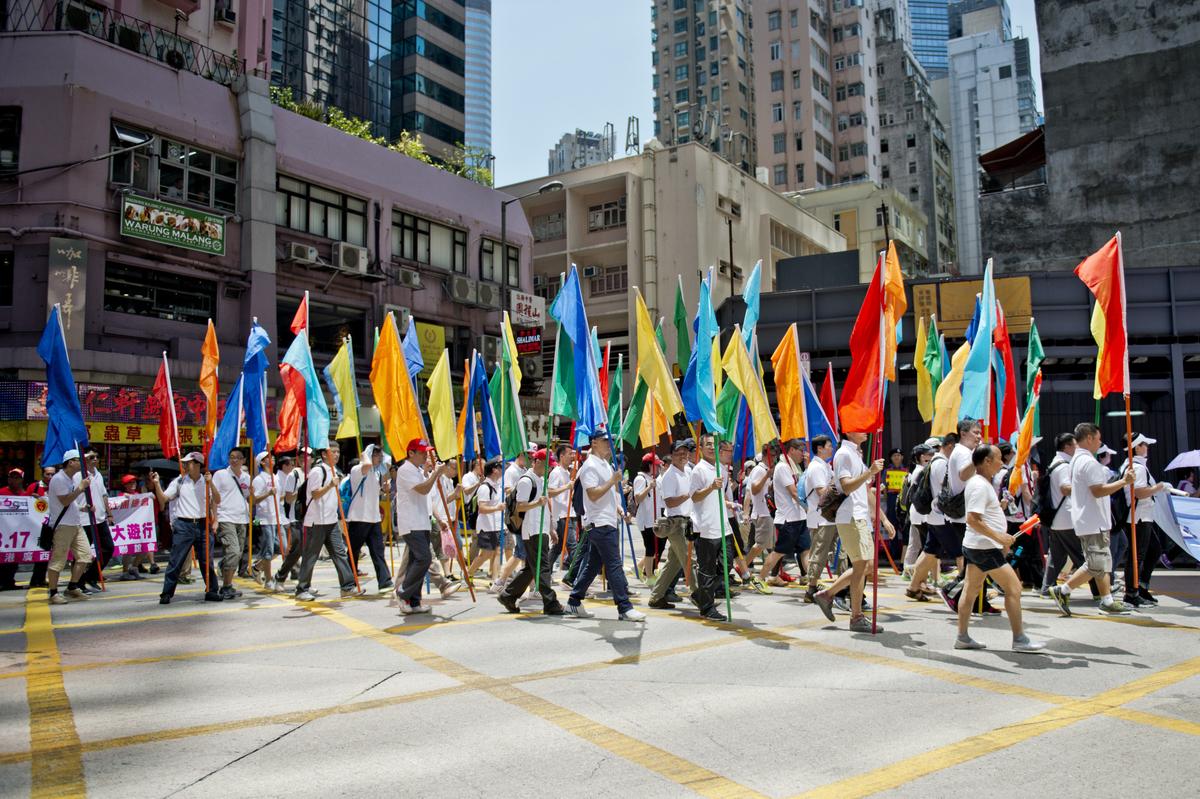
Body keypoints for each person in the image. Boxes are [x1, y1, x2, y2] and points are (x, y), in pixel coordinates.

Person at [955, 445, 1046, 653]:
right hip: (984, 548)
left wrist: (1001, 509)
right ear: (987, 461)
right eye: (998, 458)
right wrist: (1000, 537)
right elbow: (973, 519)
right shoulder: (979, 485)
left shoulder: (980, 483)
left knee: (970, 591)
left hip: (978, 545)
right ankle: (1020, 639)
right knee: (1014, 588)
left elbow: (981, 516)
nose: (1002, 462)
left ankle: (962, 636)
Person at [1048, 422, 1135, 616]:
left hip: (1088, 520)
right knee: (1096, 563)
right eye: (1098, 438)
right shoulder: (1088, 462)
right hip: (1093, 520)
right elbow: (1097, 491)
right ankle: (1063, 590)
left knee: (1102, 562)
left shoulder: (1076, 461)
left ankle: (1106, 600)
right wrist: (1124, 482)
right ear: (1089, 438)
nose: (1100, 442)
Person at [811, 432, 895, 633]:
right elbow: (846, 486)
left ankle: (828, 594)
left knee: (867, 566)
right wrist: (870, 472)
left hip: (860, 518)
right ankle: (855, 616)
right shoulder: (844, 454)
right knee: (861, 566)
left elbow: (865, 493)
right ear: (849, 430)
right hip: (850, 517)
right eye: (860, 426)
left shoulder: (855, 454)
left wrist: (883, 519)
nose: (866, 430)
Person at [565, 431, 645, 621]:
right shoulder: (590, 466)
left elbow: (608, 495)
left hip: (607, 520)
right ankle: (624, 607)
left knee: (593, 565)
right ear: (593, 443)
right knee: (614, 565)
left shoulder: (605, 465)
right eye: (604, 441)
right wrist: (612, 481)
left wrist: (620, 510)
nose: (609, 444)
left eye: (610, 441)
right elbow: (593, 494)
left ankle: (574, 602)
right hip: (599, 523)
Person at [287, 441, 363, 602]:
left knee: (339, 554)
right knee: (311, 556)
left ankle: (347, 587)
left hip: (331, 520)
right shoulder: (317, 471)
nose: (336, 455)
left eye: (337, 452)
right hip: (316, 521)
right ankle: (302, 589)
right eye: (332, 452)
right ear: (323, 454)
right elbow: (315, 494)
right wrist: (330, 485)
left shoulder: (335, 471)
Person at [939, 420, 998, 613]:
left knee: (977, 561)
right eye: (975, 432)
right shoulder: (963, 452)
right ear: (963, 434)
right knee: (978, 559)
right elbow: (964, 475)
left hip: (967, 514)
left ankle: (979, 603)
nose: (979, 436)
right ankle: (953, 591)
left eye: (980, 432)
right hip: (964, 515)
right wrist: (978, 457)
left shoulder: (965, 451)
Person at [498, 449, 564, 615]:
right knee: (542, 567)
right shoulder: (526, 481)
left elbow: (544, 507)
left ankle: (508, 595)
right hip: (531, 530)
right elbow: (520, 506)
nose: (549, 469)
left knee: (531, 568)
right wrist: (537, 503)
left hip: (540, 529)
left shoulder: (540, 480)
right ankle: (550, 602)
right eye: (548, 465)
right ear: (537, 462)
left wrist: (550, 528)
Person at [150, 451, 220, 604]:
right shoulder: (179, 481)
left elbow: (217, 499)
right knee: (176, 560)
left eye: (188, 462)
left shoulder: (207, 481)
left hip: (202, 525)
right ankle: (166, 593)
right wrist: (156, 484)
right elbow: (164, 499)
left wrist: (211, 483)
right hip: (183, 525)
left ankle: (212, 590)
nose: (185, 465)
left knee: (206, 561)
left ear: (197, 465)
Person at [393, 438, 454, 614]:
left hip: (422, 522)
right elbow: (423, 489)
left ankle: (414, 601)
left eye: (426, 452)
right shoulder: (405, 470)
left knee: (415, 561)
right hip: (411, 523)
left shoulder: (418, 470)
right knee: (424, 559)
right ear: (411, 453)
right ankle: (403, 592)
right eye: (421, 452)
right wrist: (436, 472)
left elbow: (429, 498)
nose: (425, 455)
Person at [1039, 433, 1099, 599]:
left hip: (1058, 520)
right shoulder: (1064, 466)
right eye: (1075, 444)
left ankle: (1046, 588)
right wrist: (1086, 489)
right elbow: (1065, 488)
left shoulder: (1055, 463)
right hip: (1067, 519)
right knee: (1084, 557)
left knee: (1056, 557)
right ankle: (1099, 591)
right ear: (1067, 447)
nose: (1077, 448)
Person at [648, 440, 701, 611]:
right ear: (671, 456)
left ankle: (656, 597)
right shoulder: (669, 475)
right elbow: (670, 502)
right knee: (689, 560)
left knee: (674, 563)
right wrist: (688, 495)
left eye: (685, 453)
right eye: (679, 453)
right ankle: (699, 596)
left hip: (686, 521)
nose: (683, 456)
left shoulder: (688, 470)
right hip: (676, 523)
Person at [1119, 433, 1171, 607]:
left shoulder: (1134, 465)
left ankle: (1140, 587)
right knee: (1136, 556)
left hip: (1141, 516)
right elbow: (1139, 492)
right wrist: (1159, 487)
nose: (1147, 447)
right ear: (1136, 447)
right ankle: (1131, 594)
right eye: (1144, 444)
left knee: (1153, 550)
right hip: (1139, 517)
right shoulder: (1137, 467)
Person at [906, 436, 956, 601]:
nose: (933, 453)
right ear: (921, 456)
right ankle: (932, 583)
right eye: (930, 451)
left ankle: (920, 584)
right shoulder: (925, 468)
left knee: (930, 551)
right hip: (928, 514)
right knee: (928, 549)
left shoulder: (923, 468)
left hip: (925, 514)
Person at [689, 434, 732, 621]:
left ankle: (701, 595)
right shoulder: (698, 470)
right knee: (707, 571)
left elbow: (719, 496)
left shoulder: (720, 469)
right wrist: (711, 488)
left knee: (727, 564)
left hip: (723, 526)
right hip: (705, 528)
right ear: (701, 447)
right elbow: (694, 496)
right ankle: (707, 608)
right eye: (706, 444)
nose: (710, 447)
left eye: (713, 444)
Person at [44, 450, 95, 605]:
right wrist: (80, 488)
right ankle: (53, 593)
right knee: (58, 560)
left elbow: (69, 503)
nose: (82, 463)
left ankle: (72, 587)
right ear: (71, 462)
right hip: (63, 526)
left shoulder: (69, 479)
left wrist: (82, 508)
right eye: (79, 460)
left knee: (85, 556)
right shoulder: (59, 479)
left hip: (75, 524)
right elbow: (64, 501)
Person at [345, 444, 393, 594]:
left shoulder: (376, 473)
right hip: (359, 517)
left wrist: (385, 488)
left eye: (380, 455)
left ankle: (384, 582)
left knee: (378, 551)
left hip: (374, 518)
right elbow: (366, 464)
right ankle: (348, 583)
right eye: (376, 455)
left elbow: (388, 462)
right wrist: (364, 454)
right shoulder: (358, 469)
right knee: (353, 552)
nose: (380, 458)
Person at [761, 439, 808, 588]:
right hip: (788, 518)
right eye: (800, 449)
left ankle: (809, 580)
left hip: (799, 516)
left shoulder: (794, 467)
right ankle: (760, 578)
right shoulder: (782, 467)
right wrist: (809, 507)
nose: (803, 453)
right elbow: (794, 492)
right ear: (791, 450)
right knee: (779, 552)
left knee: (806, 549)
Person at [803, 436, 843, 603]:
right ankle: (811, 589)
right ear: (819, 448)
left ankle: (841, 587)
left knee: (835, 553)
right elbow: (823, 493)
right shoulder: (816, 468)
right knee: (819, 554)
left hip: (831, 518)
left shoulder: (825, 466)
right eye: (828, 446)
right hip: (821, 518)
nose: (831, 449)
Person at [209, 449, 250, 599]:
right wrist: (215, 519)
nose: (234, 460)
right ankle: (226, 586)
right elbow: (214, 497)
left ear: (244, 460)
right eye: (232, 457)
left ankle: (225, 575)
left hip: (242, 519)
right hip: (226, 517)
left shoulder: (246, 477)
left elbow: (248, 498)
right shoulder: (221, 474)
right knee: (233, 551)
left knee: (237, 554)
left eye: (238, 458)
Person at [249, 452, 286, 591]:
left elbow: (279, 497)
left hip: (277, 518)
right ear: (262, 462)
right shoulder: (259, 480)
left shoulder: (275, 477)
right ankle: (269, 580)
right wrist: (268, 493)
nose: (273, 459)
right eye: (268, 458)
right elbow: (254, 500)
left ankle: (257, 567)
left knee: (282, 548)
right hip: (263, 519)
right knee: (268, 551)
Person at [79, 451, 114, 591]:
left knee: (108, 548)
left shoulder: (98, 474)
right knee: (82, 554)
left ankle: (91, 575)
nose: (95, 459)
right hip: (84, 520)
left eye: (96, 457)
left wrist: (109, 514)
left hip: (99, 519)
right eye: (91, 457)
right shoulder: (79, 474)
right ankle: (78, 583)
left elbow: (104, 495)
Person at [466, 460, 504, 581]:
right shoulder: (485, 487)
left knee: (497, 552)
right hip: (486, 527)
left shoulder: (497, 485)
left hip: (497, 526)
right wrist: (497, 508)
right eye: (500, 467)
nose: (503, 469)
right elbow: (482, 508)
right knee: (485, 555)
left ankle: (495, 580)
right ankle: (468, 574)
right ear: (494, 470)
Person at [901, 443, 934, 581]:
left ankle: (908, 570)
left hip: (914, 512)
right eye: (929, 454)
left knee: (914, 544)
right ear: (922, 457)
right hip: (922, 513)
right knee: (930, 547)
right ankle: (929, 574)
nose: (932, 456)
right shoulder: (922, 471)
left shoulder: (914, 470)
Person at [546, 446, 578, 573]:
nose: (572, 456)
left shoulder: (566, 472)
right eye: (570, 454)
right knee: (573, 546)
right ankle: (575, 577)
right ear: (561, 456)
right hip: (562, 515)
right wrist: (567, 487)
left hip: (569, 513)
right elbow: (550, 492)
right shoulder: (556, 472)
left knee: (557, 547)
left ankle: (544, 573)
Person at [633, 453, 663, 584]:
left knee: (653, 547)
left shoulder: (650, 478)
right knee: (650, 547)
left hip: (653, 518)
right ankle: (649, 575)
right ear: (649, 465)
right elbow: (638, 498)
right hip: (646, 519)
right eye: (655, 465)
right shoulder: (641, 479)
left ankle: (640, 568)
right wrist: (649, 487)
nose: (657, 468)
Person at [0, 469, 32, 591]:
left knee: (13, 559)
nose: (13, 480)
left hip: (18, 534)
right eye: (11, 477)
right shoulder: (1, 492)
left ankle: (9, 581)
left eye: (17, 477)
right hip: (3, 532)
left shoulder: (26, 496)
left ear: (22, 480)